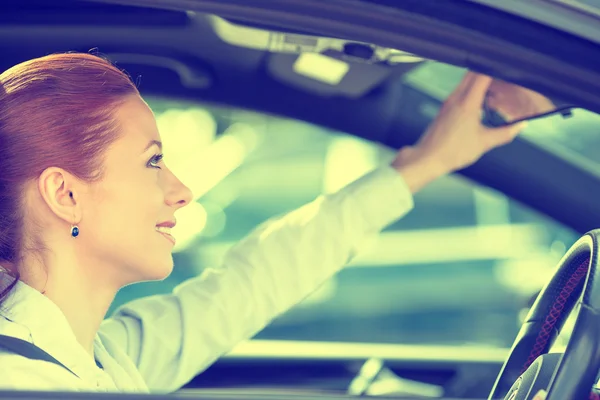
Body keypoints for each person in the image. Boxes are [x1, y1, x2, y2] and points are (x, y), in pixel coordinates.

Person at [0, 53, 525, 392]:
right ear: (65, 194)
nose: (181, 192)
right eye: (153, 162)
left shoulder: (96, 358)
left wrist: (426, 163)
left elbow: (251, 283)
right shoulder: (27, 381)